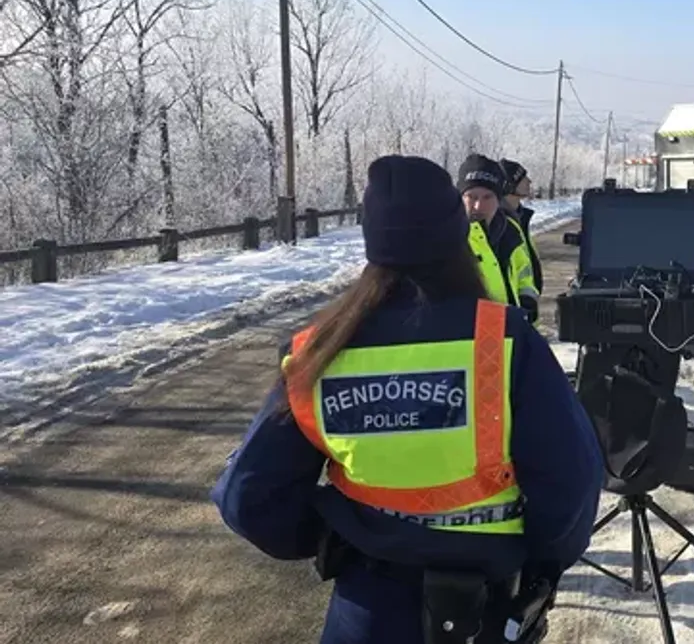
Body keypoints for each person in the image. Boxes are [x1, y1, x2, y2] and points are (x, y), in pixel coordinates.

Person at [210, 155, 603, 644]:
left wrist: (334, 533)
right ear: (458, 234)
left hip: (366, 611)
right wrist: (543, 564)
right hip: (483, 611)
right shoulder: (505, 343)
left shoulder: (318, 352)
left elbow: (248, 499)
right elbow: (571, 482)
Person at [458, 154, 540, 324]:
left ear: (498, 199)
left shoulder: (510, 230)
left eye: (487, 197)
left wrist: (527, 300)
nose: (478, 206)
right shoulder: (450, 237)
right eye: (471, 197)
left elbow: (524, 272)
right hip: (470, 339)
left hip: (512, 332)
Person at [498, 159, 543, 295]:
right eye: (523, 178)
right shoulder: (499, 224)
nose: (529, 181)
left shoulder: (520, 217)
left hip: (525, 305)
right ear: (509, 185)